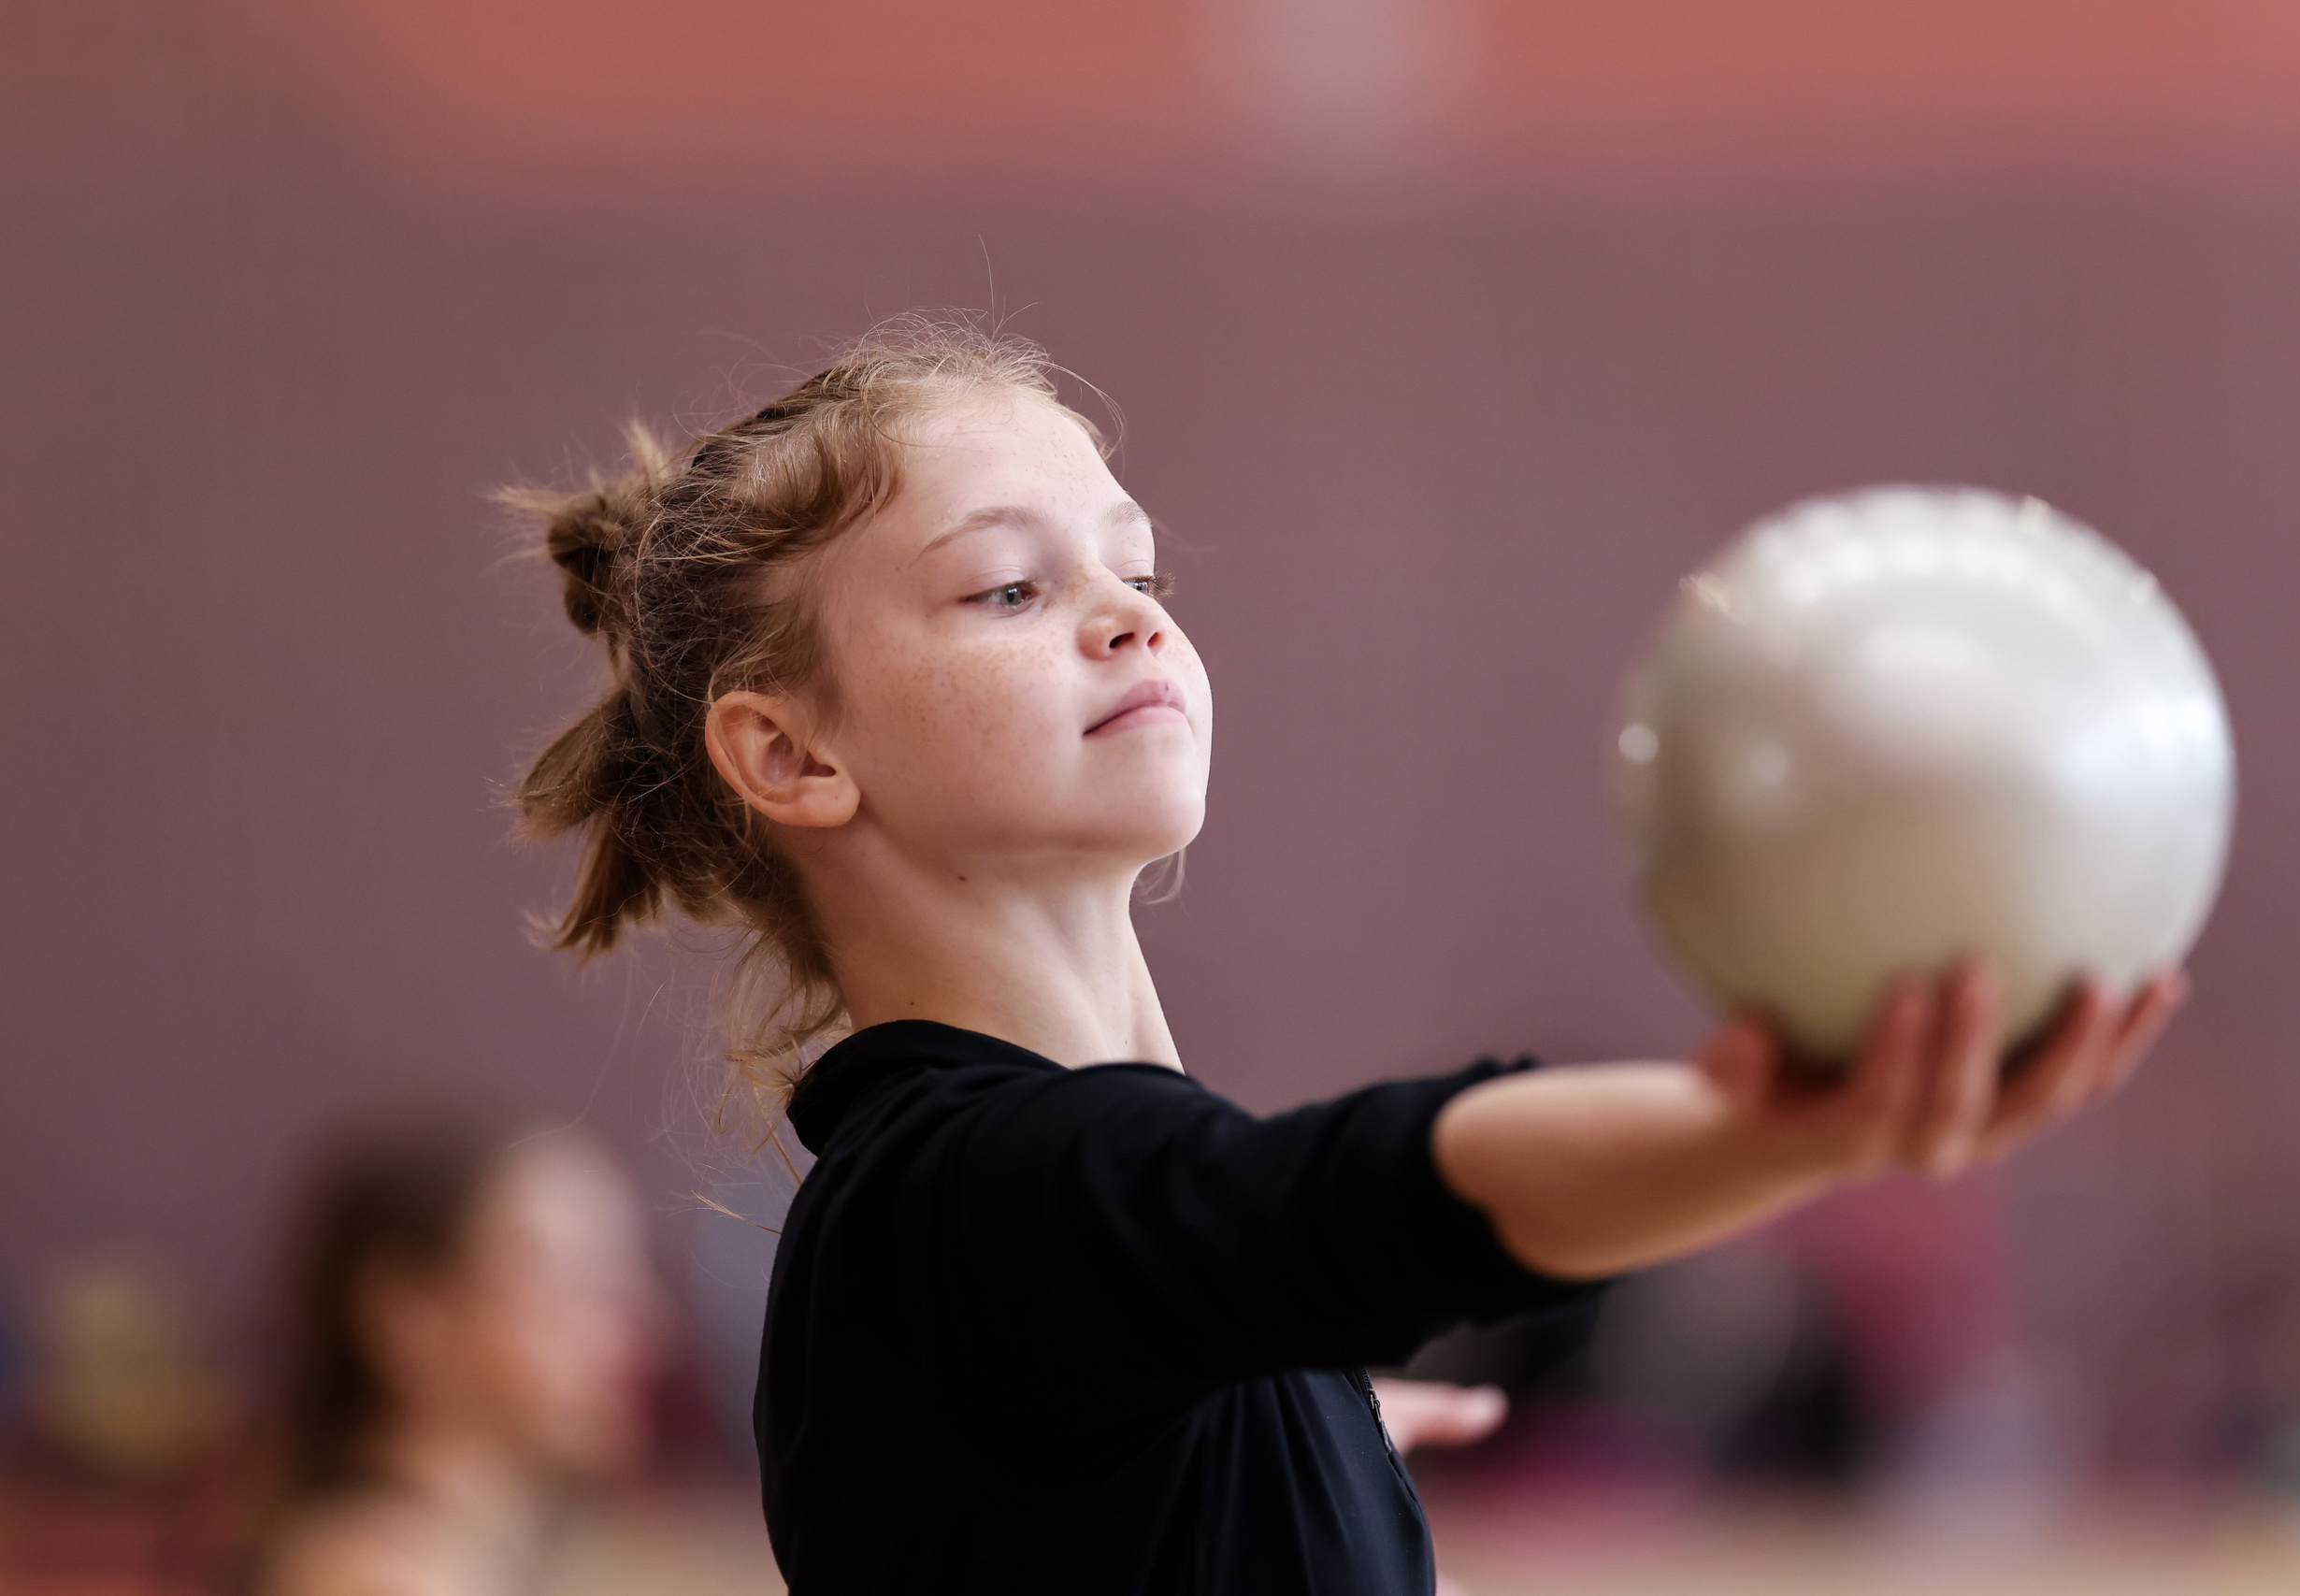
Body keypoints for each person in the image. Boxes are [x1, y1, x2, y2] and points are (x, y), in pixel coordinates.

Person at [509, 317, 2183, 1594]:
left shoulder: (1071, 1266)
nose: (1128, 614)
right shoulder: (958, 1197)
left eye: (1136, 565)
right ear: (792, 755)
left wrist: (1292, 1432)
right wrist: (1785, 1132)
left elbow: (1203, 1280)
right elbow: (1357, 1198)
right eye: (1010, 589)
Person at [253, 1121, 665, 1596]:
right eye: (582, 1286)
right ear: (409, 1314)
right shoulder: (376, 1576)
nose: (643, 1328)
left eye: (632, 1283)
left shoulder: (472, 1558)